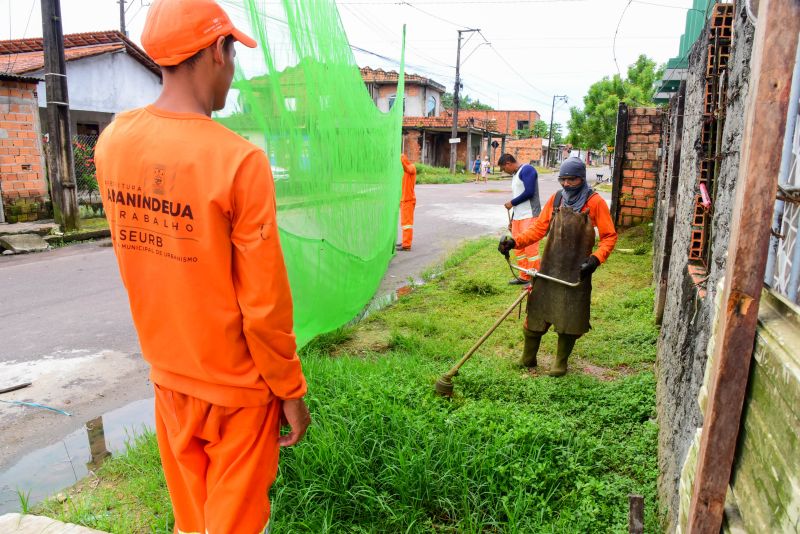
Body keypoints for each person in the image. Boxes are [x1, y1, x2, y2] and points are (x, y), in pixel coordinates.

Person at [94, 1, 310, 532]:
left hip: (169, 379)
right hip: (238, 392)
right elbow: (264, 304)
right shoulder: (238, 160)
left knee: (191, 522)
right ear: (217, 51)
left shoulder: (113, 142)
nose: (233, 76)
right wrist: (291, 391)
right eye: (233, 55)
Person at [498, 157, 617, 377]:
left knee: (569, 318)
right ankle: (528, 357)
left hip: (577, 272)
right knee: (536, 312)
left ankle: (560, 362)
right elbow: (538, 229)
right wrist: (516, 241)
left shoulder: (595, 202)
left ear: (581, 178)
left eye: (571, 179)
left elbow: (609, 237)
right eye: (563, 179)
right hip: (549, 268)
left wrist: (595, 259)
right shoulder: (557, 200)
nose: (566, 184)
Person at [498, 153, 541, 284]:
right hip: (518, 217)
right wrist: (512, 220)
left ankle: (534, 279)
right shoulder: (515, 175)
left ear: (508, 164)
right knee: (518, 247)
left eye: (504, 169)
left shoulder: (527, 170)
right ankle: (524, 276)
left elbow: (529, 192)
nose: (504, 172)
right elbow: (519, 195)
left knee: (531, 249)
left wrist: (512, 202)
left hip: (530, 216)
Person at [398, 154, 417, 251]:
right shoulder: (404, 172)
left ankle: (406, 245)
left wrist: (400, 159)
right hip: (405, 200)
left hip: (409, 200)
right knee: (404, 223)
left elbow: (407, 169)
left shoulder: (411, 167)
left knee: (407, 224)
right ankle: (405, 241)